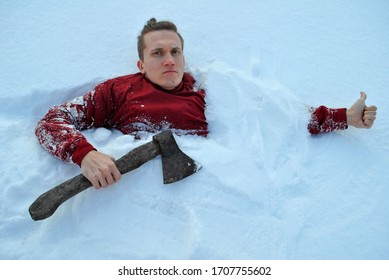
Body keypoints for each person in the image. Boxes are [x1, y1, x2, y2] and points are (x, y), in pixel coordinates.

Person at [35, 18, 377, 189]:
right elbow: (51, 121)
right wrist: (84, 154)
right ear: (141, 64)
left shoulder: (211, 91)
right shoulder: (118, 91)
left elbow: (279, 117)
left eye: (175, 51)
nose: (169, 59)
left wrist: (344, 117)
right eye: (157, 53)